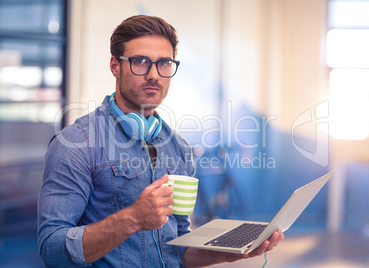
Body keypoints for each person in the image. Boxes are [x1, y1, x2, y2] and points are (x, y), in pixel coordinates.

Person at [37, 15, 284, 267]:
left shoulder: (178, 148)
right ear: (115, 66)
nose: (154, 74)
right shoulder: (76, 144)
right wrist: (132, 218)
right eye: (140, 62)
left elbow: (178, 249)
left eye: (164, 63)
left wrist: (228, 253)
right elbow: (52, 248)